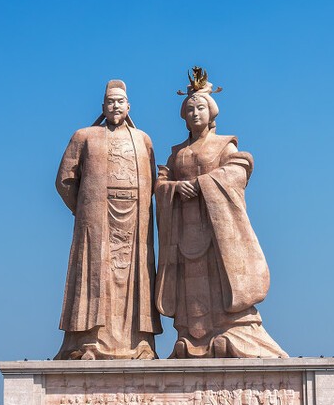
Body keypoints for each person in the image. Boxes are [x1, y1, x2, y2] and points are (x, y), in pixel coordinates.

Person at [154, 69, 288, 358]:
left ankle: (230, 333)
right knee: (190, 288)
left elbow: (239, 169)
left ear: (211, 112)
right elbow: (160, 183)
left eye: (200, 107)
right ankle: (192, 340)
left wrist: (202, 185)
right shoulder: (176, 153)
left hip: (218, 230)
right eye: (189, 109)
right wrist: (174, 189)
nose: (195, 114)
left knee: (220, 279)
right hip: (185, 233)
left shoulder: (224, 144)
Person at [54, 80, 161, 360]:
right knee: (94, 276)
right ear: (103, 107)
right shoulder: (84, 136)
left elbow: (154, 182)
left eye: (120, 102)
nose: (115, 106)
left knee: (137, 276)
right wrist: (85, 209)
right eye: (110, 102)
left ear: (128, 107)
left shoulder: (142, 140)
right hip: (97, 219)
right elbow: (65, 181)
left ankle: (140, 343)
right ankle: (89, 342)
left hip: (136, 221)